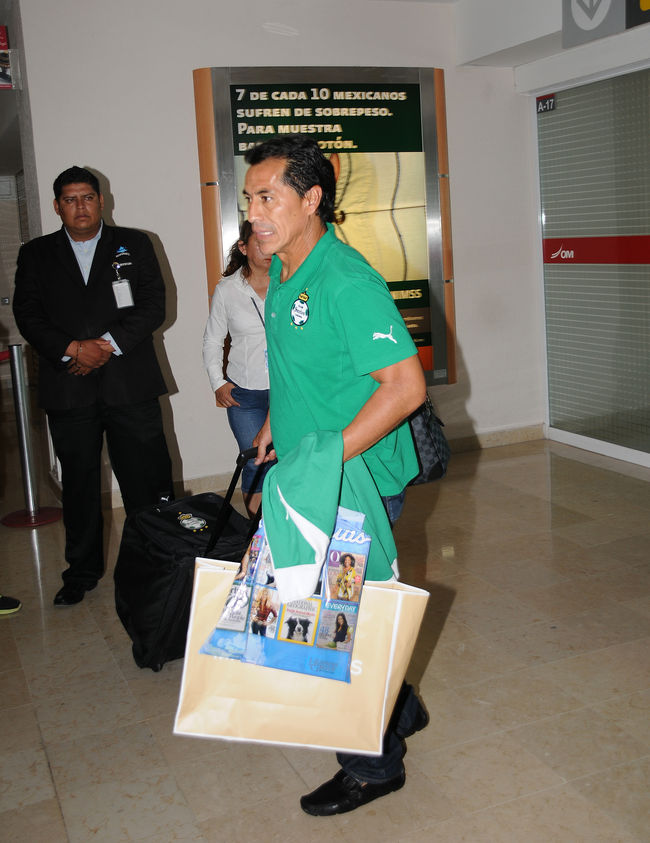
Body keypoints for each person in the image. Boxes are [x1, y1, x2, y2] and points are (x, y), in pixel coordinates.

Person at [244, 135, 428, 816]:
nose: (254, 212)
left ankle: (373, 768)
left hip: (353, 481)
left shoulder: (345, 280)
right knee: (349, 613)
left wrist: (323, 459)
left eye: (269, 197)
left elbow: (405, 387)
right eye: (249, 198)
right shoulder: (284, 267)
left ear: (311, 198)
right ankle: (400, 707)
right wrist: (277, 420)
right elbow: (300, 362)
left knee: (338, 626)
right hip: (314, 474)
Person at [13, 166, 173, 607]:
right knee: (79, 487)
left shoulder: (136, 244)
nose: (80, 206)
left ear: (102, 201)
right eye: (70, 199)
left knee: (145, 482)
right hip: (69, 386)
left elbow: (153, 305)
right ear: (57, 206)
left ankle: (156, 565)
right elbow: (28, 315)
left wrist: (105, 346)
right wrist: (72, 349)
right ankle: (81, 573)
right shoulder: (35, 254)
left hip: (130, 384)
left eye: (87, 197)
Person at [203, 221, 274, 517]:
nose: (268, 249)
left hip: (289, 391)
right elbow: (212, 340)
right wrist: (217, 382)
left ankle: (285, 528)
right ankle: (257, 531)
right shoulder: (228, 290)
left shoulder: (291, 281)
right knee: (256, 460)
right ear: (243, 248)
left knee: (289, 460)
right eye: (259, 243)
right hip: (246, 395)